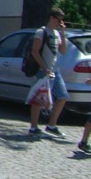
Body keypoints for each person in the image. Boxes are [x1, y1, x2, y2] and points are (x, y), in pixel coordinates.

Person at [27, 7, 69, 136]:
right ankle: (33, 127)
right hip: (43, 71)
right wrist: (44, 69)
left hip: (55, 71)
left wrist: (63, 32)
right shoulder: (41, 32)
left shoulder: (56, 33)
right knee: (40, 99)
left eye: (62, 21)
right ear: (51, 18)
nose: (60, 23)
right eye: (58, 20)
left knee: (62, 96)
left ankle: (51, 125)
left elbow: (63, 51)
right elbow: (35, 51)